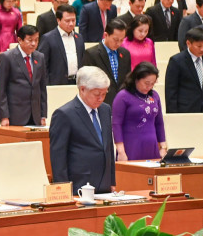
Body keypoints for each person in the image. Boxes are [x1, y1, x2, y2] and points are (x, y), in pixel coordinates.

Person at [49, 66, 115, 194]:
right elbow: (58, 157)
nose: (101, 98)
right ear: (82, 89)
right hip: (79, 185)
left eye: (104, 94)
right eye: (97, 94)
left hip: (104, 185)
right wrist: (63, 190)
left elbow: (108, 147)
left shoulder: (105, 110)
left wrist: (111, 181)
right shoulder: (64, 114)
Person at [112, 62, 166, 161]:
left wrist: (163, 147)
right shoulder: (123, 96)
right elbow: (116, 124)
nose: (149, 86)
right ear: (136, 79)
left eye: (152, 84)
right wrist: (121, 151)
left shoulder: (154, 96)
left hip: (151, 146)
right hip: (131, 147)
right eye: (146, 83)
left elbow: (159, 123)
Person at [0, 26, 47, 126]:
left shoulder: (40, 57)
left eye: (36, 40)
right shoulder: (6, 57)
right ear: (19, 40)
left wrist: (43, 115)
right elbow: (1, 90)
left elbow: (42, 89)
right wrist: (4, 116)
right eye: (30, 40)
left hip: (35, 116)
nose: (34, 44)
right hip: (14, 115)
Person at [165, 27, 203, 114]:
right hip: (185, 111)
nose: (202, 49)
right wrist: (173, 115)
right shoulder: (176, 61)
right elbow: (171, 91)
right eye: (199, 46)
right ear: (188, 43)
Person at [83, 18, 131, 105]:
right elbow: (89, 82)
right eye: (116, 40)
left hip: (122, 102)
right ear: (106, 35)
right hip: (101, 102)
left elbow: (127, 79)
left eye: (121, 40)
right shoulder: (91, 54)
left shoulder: (125, 53)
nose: (118, 43)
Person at [38, 4, 84, 85]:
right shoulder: (47, 38)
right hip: (56, 83)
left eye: (73, 20)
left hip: (77, 82)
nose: (71, 24)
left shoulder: (79, 38)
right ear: (58, 20)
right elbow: (42, 65)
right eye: (67, 21)